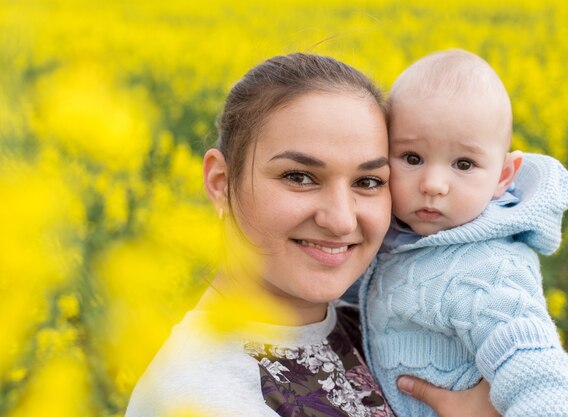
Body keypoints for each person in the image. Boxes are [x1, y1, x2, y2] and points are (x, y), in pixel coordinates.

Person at [124, 53, 501, 417]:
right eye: (299, 177)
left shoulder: (373, 328)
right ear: (221, 183)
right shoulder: (204, 398)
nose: (340, 220)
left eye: (368, 181)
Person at [358, 49, 568, 417]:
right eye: (412, 158)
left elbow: (539, 375)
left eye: (463, 164)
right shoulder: (399, 236)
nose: (433, 184)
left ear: (502, 177)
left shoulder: (489, 269)